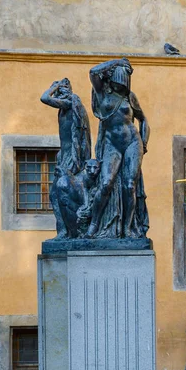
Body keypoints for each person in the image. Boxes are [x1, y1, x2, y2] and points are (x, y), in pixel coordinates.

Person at [86, 58, 149, 239]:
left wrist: (144, 143)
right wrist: (117, 62)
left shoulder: (130, 97)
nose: (123, 84)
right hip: (112, 144)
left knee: (130, 186)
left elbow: (143, 119)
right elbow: (93, 72)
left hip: (132, 142)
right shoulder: (102, 94)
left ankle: (127, 229)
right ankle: (94, 225)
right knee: (105, 183)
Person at [40, 78, 91, 238]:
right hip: (64, 156)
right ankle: (64, 231)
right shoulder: (64, 108)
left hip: (71, 158)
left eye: (61, 89)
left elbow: (44, 98)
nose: (58, 93)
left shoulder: (70, 102)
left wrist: (53, 87)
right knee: (55, 194)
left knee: (60, 193)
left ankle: (70, 231)